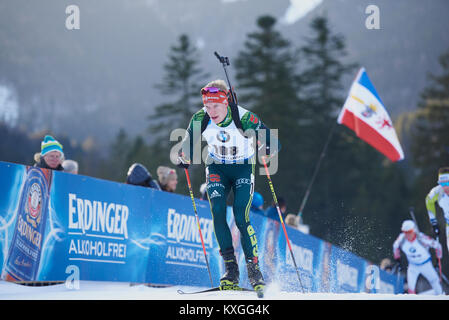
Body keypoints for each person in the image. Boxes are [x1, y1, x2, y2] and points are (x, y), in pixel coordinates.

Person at [177, 79, 279, 293]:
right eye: (207, 105)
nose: (211, 111)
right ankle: (230, 269)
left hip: (243, 167)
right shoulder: (200, 118)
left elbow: (274, 142)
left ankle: (254, 269)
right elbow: (186, 144)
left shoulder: (243, 117)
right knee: (218, 212)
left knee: (242, 216)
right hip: (216, 167)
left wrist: (267, 147)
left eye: (215, 106)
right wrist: (184, 154)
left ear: (226, 102)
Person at [393, 220, 443, 295]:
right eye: (405, 232)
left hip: (426, 264)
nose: (407, 234)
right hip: (413, 266)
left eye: (409, 232)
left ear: (414, 230)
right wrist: (398, 260)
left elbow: (437, 246)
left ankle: (441, 297)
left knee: (435, 282)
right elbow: (395, 247)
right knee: (411, 287)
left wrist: (438, 260)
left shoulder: (421, 238)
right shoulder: (401, 239)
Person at [425, 167, 449, 253]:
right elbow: (428, 201)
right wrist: (433, 221)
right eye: (442, 184)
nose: (445, 187)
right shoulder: (438, 191)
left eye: (447, 183)